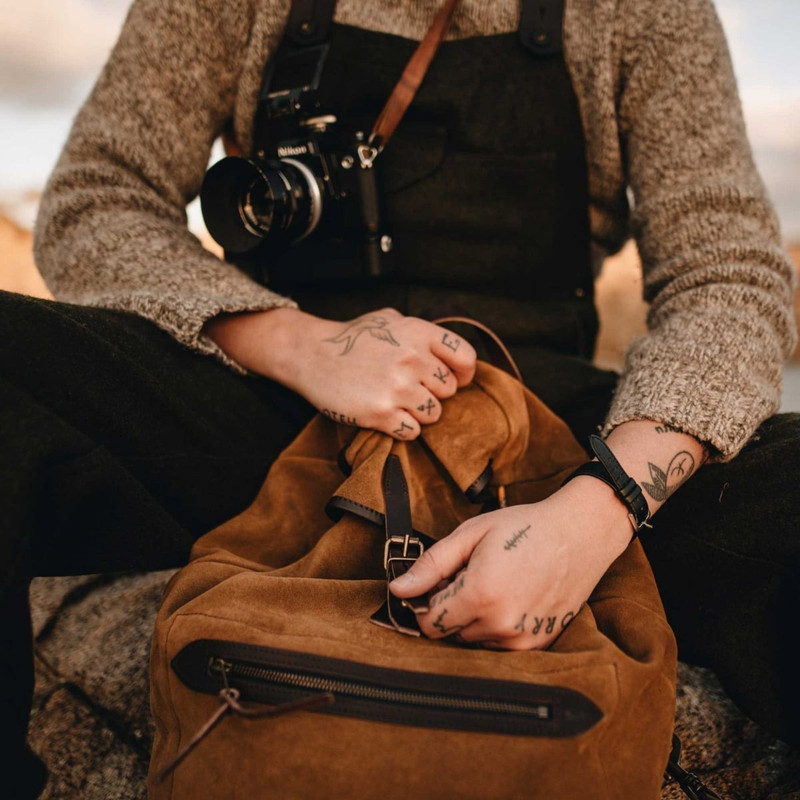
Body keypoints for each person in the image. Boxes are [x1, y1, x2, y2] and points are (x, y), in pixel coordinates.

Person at [2, 0, 798, 795]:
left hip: (552, 441)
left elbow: (726, 274)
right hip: (281, 412)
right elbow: (101, 194)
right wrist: (300, 342)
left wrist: (596, 513)